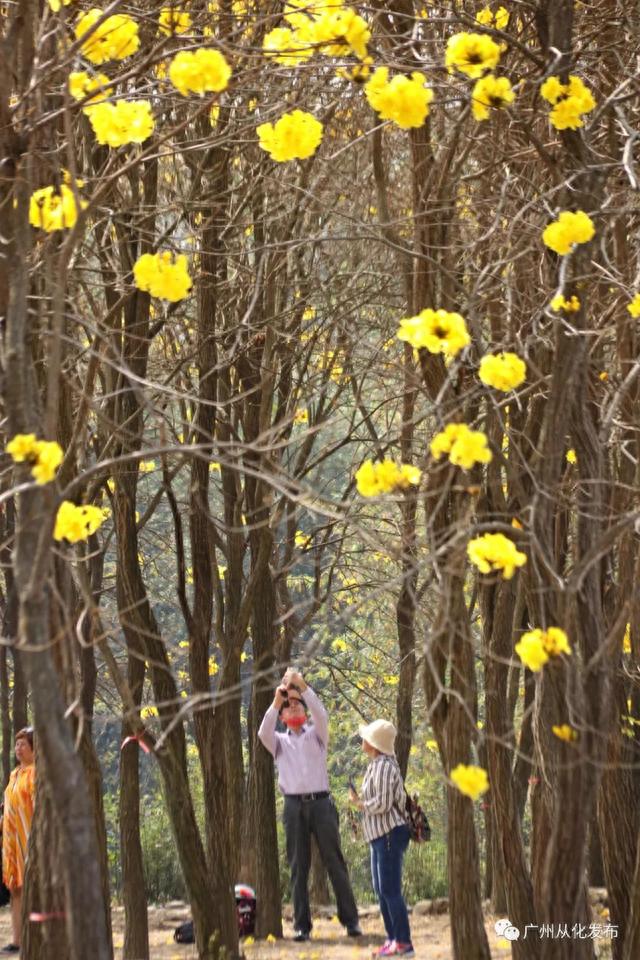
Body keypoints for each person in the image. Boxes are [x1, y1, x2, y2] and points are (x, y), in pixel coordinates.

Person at [258, 668, 361, 942]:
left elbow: (321, 714)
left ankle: (351, 921)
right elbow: (262, 731)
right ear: (282, 716)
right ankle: (302, 926)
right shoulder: (278, 742)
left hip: (322, 804)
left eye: (296, 705)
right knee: (298, 867)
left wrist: (302, 688)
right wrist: (277, 699)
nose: (293, 709)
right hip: (293, 807)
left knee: (335, 863)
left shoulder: (317, 735)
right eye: (288, 707)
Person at [349, 719, 414, 959]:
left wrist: (360, 804)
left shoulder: (385, 766)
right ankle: (393, 939)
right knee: (381, 889)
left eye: (366, 737)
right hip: (378, 835)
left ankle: (404, 943)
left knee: (390, 890)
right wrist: (361, 803)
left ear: (374, 743)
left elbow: (384, 803)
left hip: (389, 833)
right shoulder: (375, 765)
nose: (362, 740)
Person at [1, 727, 35, 955]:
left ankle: (36, 938)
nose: (18, 748)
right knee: (15, 889)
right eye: (17, 744)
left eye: (23, 744)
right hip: (11, 842)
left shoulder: (36, 774)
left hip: (30, 839)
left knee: (31, 887)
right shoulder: (14, 775)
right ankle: (18, 939)